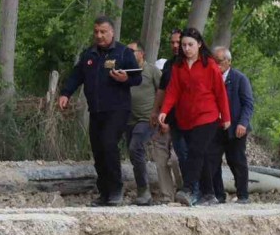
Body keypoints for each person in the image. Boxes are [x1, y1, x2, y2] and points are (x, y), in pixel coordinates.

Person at [58, 16, 141, 206]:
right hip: (96, 111)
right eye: (96, 32)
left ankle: (116, 190)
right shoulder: (89, 54)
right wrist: (65, 94)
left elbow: (137, 78)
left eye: (103, 32)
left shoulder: (123, 53)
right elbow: (76, 75)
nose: (99, 35)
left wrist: (124, 79)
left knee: (108, 144)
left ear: (112, 32)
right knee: (98, 150)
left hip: (118, 109)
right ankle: (104, 193)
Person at [157, 27, 230, 206]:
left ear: (199, 44)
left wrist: (226, 117)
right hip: (186, 118)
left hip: (208, 115)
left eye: (190, 44)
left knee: (195, 152)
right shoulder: (178, 66)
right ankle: (209, 194)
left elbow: (220, 92)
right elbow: (173, 90)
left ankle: (188, 189)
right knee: (201, 155)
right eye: (184, 45)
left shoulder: (210, 65)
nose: (186, 48)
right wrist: (164, 111)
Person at [209, 47, 254, 204]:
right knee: (212, 161)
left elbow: (248, 104)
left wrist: (243, 123)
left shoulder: (240, 79)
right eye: (214, 61)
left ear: (229, 61)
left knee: (237, 161)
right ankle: (219, 196)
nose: (216, 64)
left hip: (236, 128)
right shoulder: (211, 79)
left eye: (219, 61)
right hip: (216, 128)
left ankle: (243, 195)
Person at [124, 40, 161, 205]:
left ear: (141, 53)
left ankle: (144, 191)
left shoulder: (152, 70)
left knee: (135, 147)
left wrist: (161, 115)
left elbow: (164, 92)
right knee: (133, 153)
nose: (128, 54)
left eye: (132, 51)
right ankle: (142, 189)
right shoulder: (125, 71)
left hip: (147, 119)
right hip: (128, 119)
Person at [154, 29, 190, 184]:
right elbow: (162, 91)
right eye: (172, 42)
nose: (175, 46)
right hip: (167, 117)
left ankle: (189, 187)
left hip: (187, 119)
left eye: (178, 42)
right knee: (164, 158)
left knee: (181, 156)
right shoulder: (168, 65)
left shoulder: (192, 64)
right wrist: (156, 111)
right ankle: (169, 194)